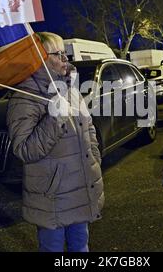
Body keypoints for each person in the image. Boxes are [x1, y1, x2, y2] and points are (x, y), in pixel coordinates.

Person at [6, 32, 104, 252]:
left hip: (80, 190)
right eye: (58, 54)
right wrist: (54, 117)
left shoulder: (70, 89)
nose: (65, 59)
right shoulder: (24, 97)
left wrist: (94, 162)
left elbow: (89, 129)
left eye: (65, 53)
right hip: (52, 198)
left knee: (80, 248)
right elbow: (24, 150)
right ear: (39, 58)